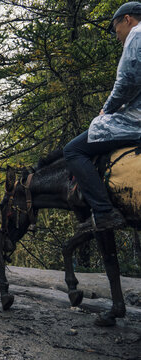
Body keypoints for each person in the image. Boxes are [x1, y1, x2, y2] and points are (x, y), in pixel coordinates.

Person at [64, 2, 141, 233]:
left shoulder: (137, 35)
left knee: (73, 150)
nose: (116, 36)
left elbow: (127, 80)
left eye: (116, 28)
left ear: (127, 19)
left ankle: (104, 212)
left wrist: (107, 110)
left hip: (137, 120)